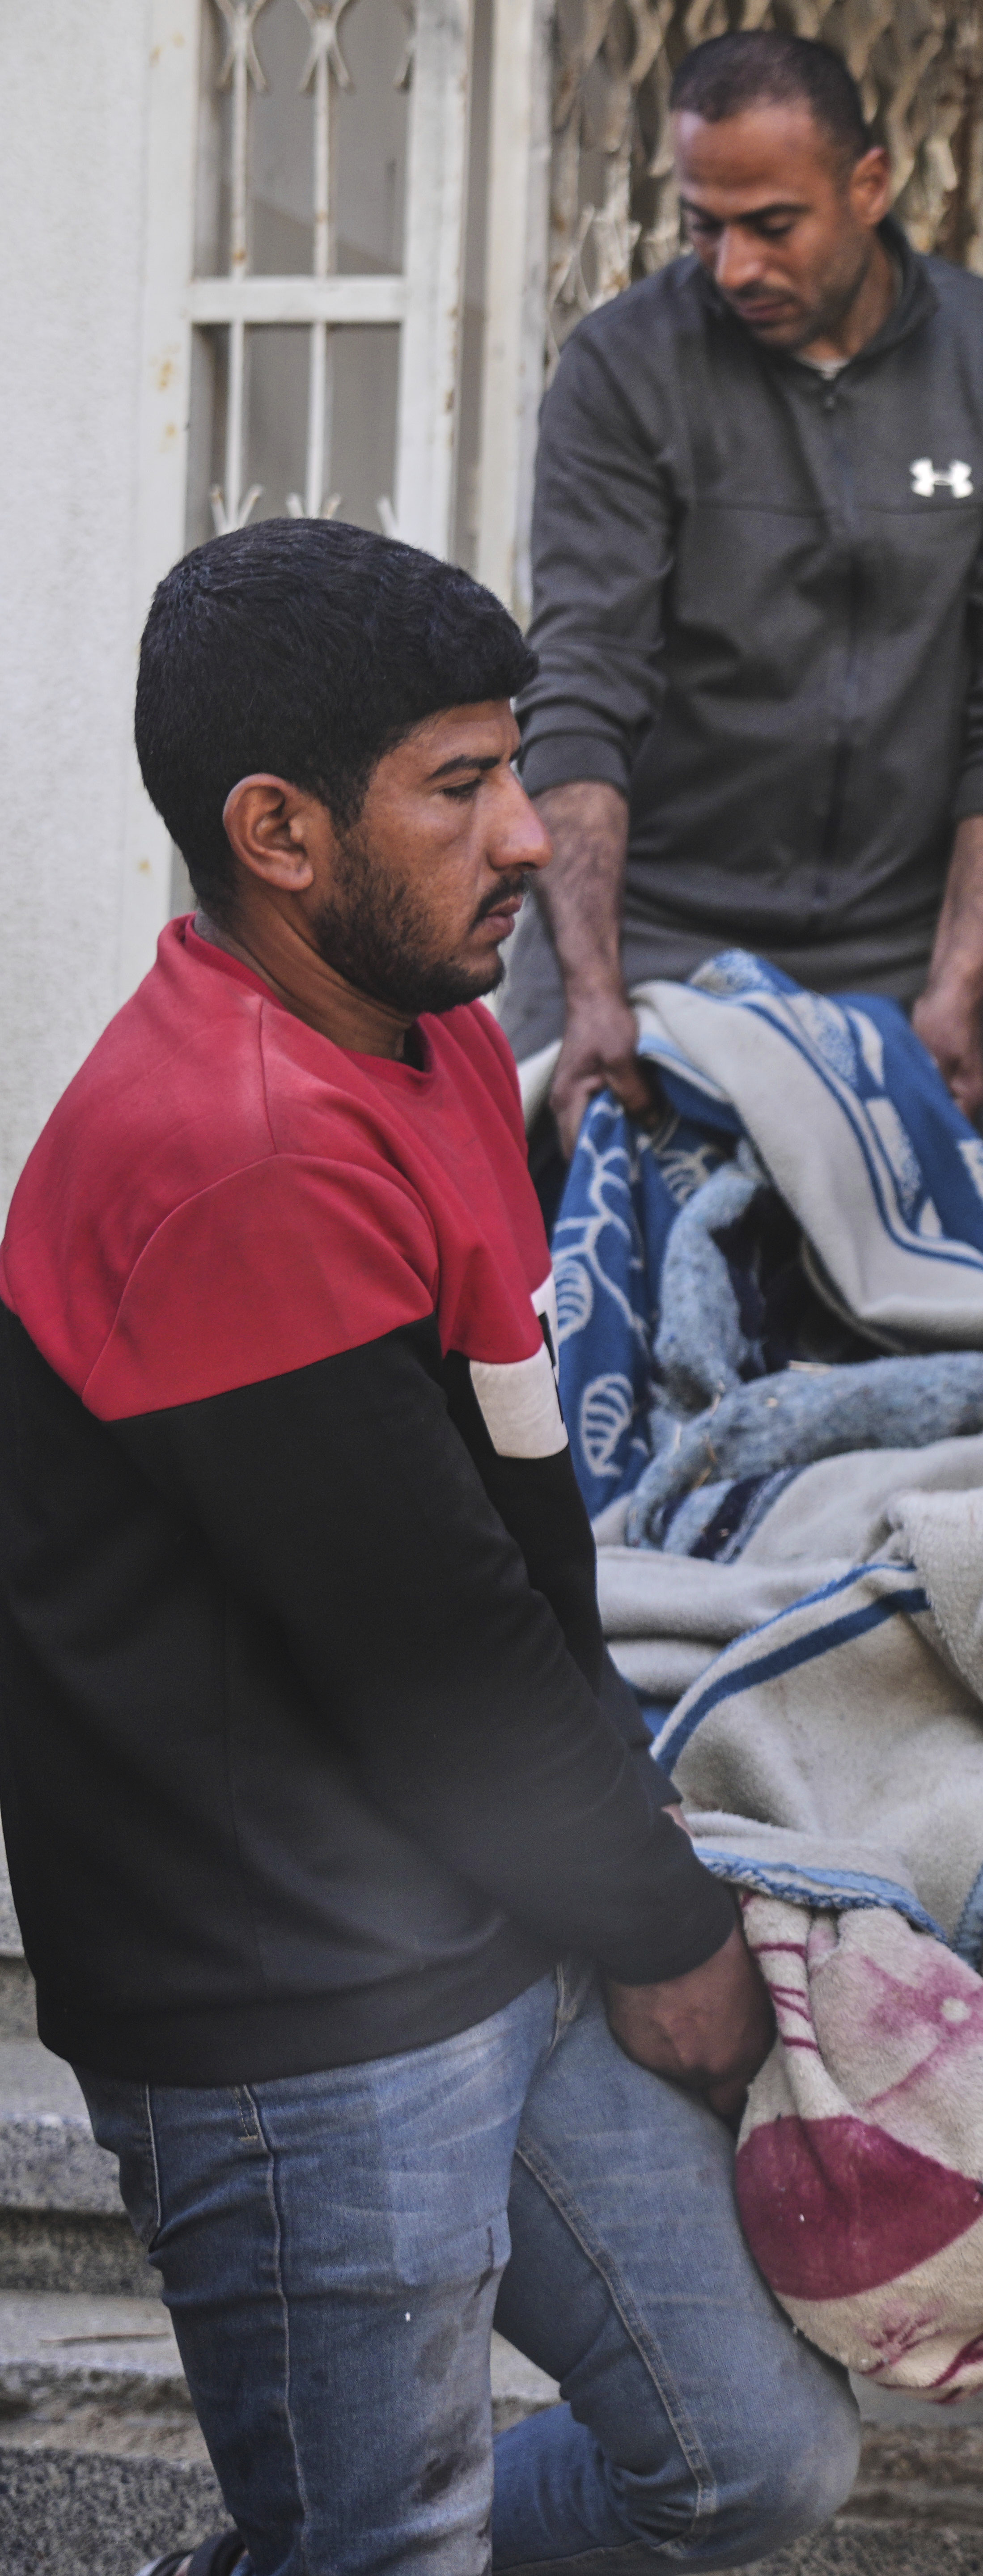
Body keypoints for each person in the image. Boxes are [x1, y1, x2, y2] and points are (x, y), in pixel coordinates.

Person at [0, 518, 855, 2576]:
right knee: (387, 2538)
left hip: (479, 1897)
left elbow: (505, 1515)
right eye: (459, 787)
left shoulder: (439, 1031)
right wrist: (667, 1927)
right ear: (280, 832)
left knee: (750, 2460)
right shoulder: (235, 1157)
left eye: (518, 765)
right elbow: (435, 1646)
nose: (535, 833)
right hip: (292, 1991)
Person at [511, 28, 983, 1211]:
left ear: (870, 190)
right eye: (701, 225)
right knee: (536, 1287)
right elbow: (582, 684)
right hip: (657, 919)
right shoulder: (622, 372)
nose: (732, 265)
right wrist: (591, 990)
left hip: (913, 929)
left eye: (772, 223)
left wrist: (955, 986)